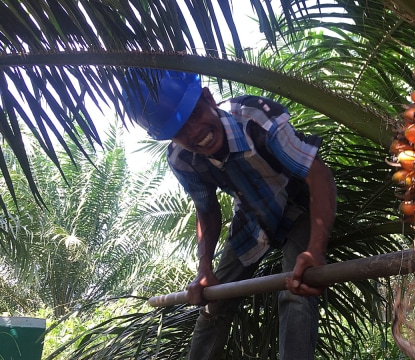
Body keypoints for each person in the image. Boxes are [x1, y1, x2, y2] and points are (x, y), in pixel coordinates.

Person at [122, 69, 336, 359]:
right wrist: (204, 269)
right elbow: (206, 211)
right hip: (252, 217)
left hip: (302, 205)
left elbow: (317, 174)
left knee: (298, 288)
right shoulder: (182, 160)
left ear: (208, 97)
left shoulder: (256, 117)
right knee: (213, 303)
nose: (194, 131)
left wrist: (314, 249)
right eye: (180, 131)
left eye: (195, 113)